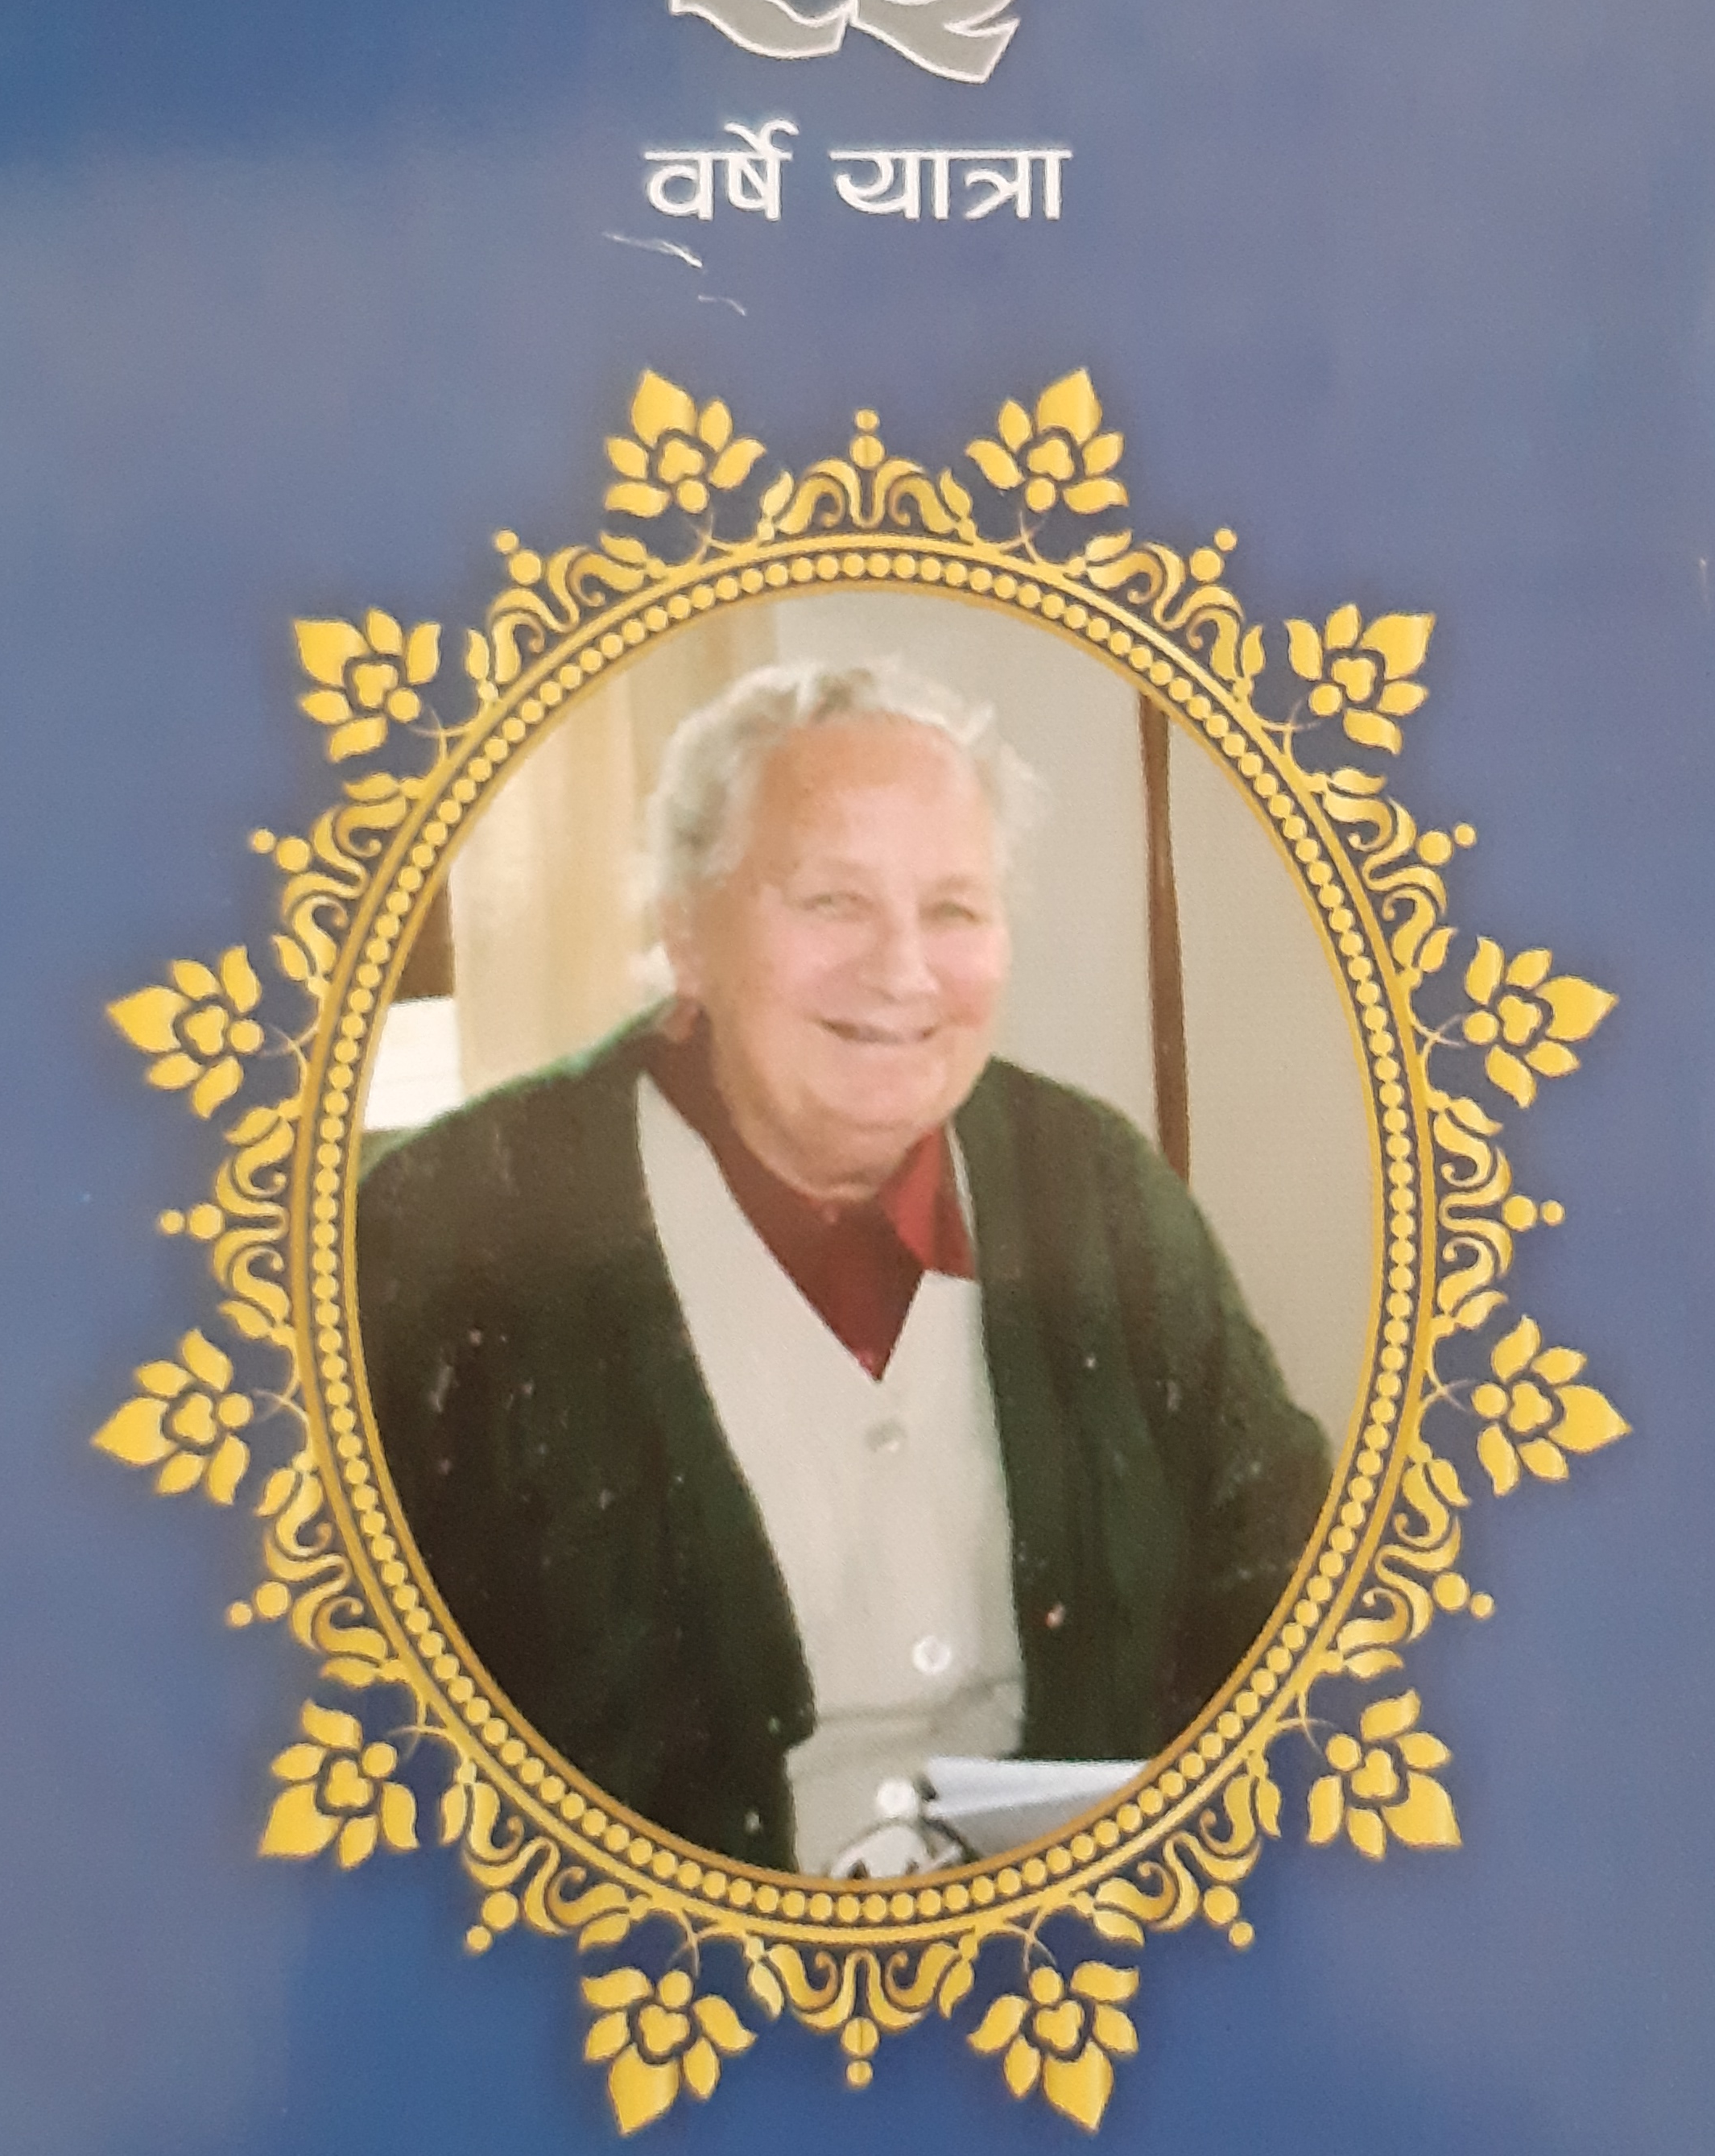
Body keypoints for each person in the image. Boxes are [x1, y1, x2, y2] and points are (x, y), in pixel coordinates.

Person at [353, 657, 1333, 1876]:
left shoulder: (1094, 1186)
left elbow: (1291, 1591)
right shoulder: (450, 1232)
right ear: (686, 934)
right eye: (831, 902)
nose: (903, 973)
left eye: (955, 911)